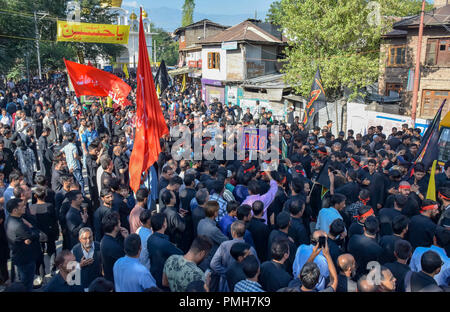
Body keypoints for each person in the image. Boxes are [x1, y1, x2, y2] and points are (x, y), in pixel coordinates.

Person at [210, 220, 258, 292]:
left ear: (233, 233)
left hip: (226, 283)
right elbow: (257, 266)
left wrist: (226, 272)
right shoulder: (250, 249)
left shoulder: (224, 245)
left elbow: (213, 264)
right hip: (245, 284)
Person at [5, 198, 40, 291]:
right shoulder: (18, 225)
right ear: (15, 210)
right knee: (26, 283)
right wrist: (30, 226)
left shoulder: (11, 219)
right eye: (22, 206)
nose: (25, 207)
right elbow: (35, 234)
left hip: (19, 255)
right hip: (25, 258)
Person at [147, 213, 183, 289]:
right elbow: (181, 254)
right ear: (164, 225)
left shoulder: (150, 239)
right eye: (166, 221)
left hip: (154, 274)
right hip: (164, 277)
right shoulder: (164, 243)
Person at [100, 212, 128, 283]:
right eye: (119, 222)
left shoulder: (108, 239)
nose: (120, 223)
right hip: (115, 281)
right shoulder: (111, 245)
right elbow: (127, 260)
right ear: (115, 227)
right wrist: (127, 238)